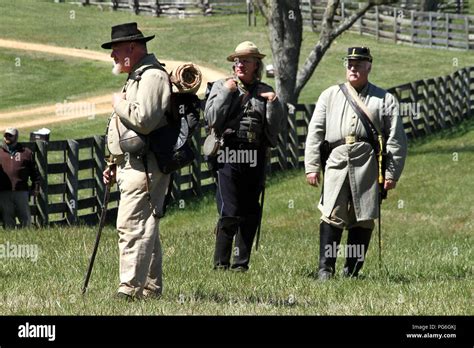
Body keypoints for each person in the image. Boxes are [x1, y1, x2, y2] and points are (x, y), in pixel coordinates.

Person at [304, 47, 407, 280]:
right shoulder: (329, 95)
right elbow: (315, 132)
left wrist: (391, 173)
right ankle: (325, 269)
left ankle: (352, 271)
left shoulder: (385, 99)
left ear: (369, 66)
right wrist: (311, 166)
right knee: (332, 213)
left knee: (364, 217)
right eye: (349, 63)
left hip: (368, 164)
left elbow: (396, 139)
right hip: (336, 161)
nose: (353, 67)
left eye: (358, 64)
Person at [101, 22, 171, 299]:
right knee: (146, 229)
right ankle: (150, 289)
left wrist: (117, 102)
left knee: (131, 225)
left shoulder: (152, 76)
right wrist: (113, 163)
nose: (112, 56)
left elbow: (144, 120)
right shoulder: (138, 76)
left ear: (132, 47)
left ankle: (128, 289)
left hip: (145, 164)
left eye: (115, 49)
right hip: (134, 163)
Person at [205, 41, 284, 272]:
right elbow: (211, 119)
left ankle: (241, 265)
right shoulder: (221, 86)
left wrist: (274, 103)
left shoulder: (265, 91)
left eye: (245, 60)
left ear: (255, 65)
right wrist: (227, 94)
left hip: (255, 154)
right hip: (228, 153)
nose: (240, 64)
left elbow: (274, 129)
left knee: (250, 211)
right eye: (237, 60)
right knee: (229, 210)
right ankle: (220, 264)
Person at [0, 127, 40, 228]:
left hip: (21, 191)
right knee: (7, 218)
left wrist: (36, 187)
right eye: (5, 135)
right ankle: (11, 239)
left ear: (16, 137)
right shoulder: (0, 152)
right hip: (4, 191)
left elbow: (35, 173)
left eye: (10, 135)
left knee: (25, 218)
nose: (7, 137)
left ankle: (27, 237)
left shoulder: (26, 153)